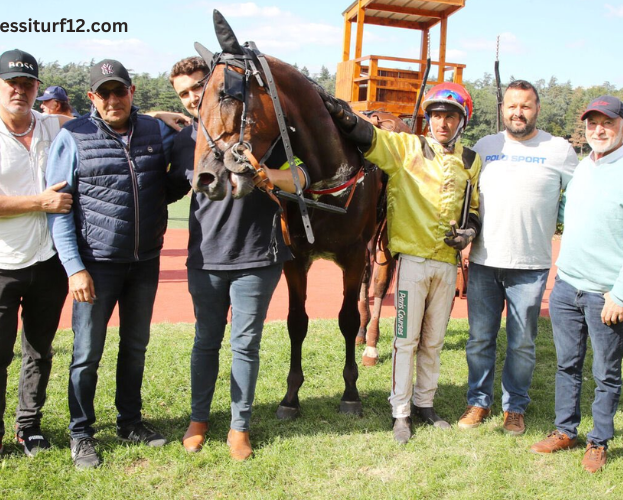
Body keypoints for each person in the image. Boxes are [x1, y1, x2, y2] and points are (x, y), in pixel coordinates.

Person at [323, 82, 482, 444]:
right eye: (436, 116)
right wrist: (337, 110)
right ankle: (401, 412)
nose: (442, 123)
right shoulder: (405, 147)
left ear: (463, 121)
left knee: (434, 341)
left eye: (450, 117)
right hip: (411, 260)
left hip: (446, 264)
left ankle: (425, 404)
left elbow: (473, 211)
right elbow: (365, 134)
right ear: (428, 119)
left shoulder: (472, 161)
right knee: (405, 341)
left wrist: (468, 233)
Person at [46, 58, 185, 469]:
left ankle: (130, 421)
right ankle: (81, 432)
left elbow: (162, 185)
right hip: (96, 264)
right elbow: (58, 210)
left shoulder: (154, 130)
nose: (112, 99)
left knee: (135, 346)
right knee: (87, 353)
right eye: (103, 93)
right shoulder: (73, 136)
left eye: (118, 91)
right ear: (91, 97)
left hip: (144, 261)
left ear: (132, 92)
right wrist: (74, 267)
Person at [167, 56, 304, 460]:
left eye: (198, 87)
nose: (193, 97)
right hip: (205, 259)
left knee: (246, 345)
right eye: (185, 93)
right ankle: (198, 420)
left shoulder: (260, 133)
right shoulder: (180, 141)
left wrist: (263, 173)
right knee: (205, 342)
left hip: (257, 258)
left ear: (214, 86)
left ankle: (239, 427)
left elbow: (301, 179)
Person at [530, 95, 623, 473]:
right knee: (567, 365)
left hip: (606, 295)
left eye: (608, 122)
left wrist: (621, 294)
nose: (599, 130)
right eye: (592, 123)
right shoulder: (583, 168)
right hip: (568, 286)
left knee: (605, 373)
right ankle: (564, 430)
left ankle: (598, 441)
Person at [0, 49, 72, 471]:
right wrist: (39, 202)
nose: (20, 90)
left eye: (28, 84)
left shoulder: (53, 123)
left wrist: (163, 116)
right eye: (11, 82)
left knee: (39, 351)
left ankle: (29, 426)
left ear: (36, 89)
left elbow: (109, 115)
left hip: (48, 261)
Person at [458, 80, 578, 435]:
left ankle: (515, 407)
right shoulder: (484, 147)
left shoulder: (559, 150)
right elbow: (464, 195)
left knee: (522, 342)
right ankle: (478, 401)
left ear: (537, 108)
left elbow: (581, 195)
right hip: (484, 261)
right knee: (480, 338)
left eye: (525, 106)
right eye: (511, 106)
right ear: (502, 109)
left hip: (530, 265)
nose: (517, 112)